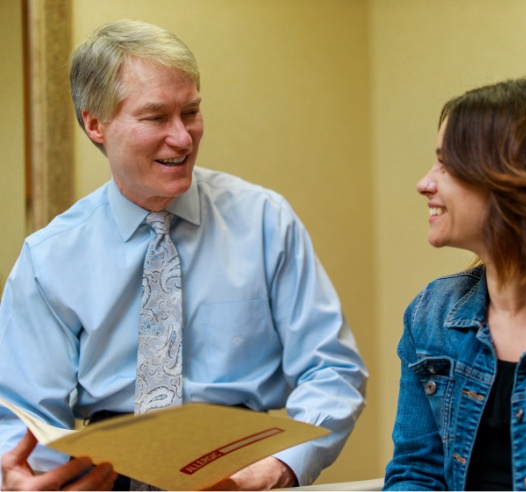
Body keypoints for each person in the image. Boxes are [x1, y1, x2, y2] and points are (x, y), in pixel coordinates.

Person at [0, 19, 367, 491]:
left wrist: (279, 468)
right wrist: (31, 480)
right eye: (156, 117)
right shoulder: (50, 257)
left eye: (190, 112)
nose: (183, 138)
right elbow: (23, 413)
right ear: (95, 123)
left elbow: (332, 369)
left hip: (244, 471)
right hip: (108, 478)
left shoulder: (264, 221)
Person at [384, 78, 526, 491]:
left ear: (516, 181)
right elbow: (417, 472)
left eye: (448, 165)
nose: (424, 183)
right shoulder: (431, 313)